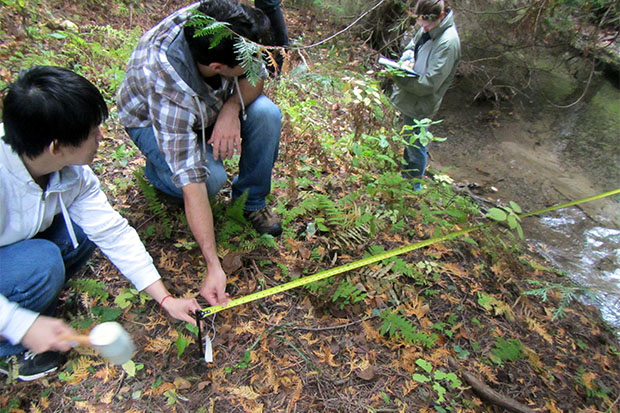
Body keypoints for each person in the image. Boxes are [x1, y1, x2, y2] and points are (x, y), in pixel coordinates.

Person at [0, 66, 202, 381]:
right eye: (93, 131)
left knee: (78, 234)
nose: (101, 136)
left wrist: (164, 297)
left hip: (13, 244)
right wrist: (19, 324)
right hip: (22, 254)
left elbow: (111, 231)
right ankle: (9, 351)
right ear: (56, 146)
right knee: (42, 261)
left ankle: (33, 299)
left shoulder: (71, 173)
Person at [116, 0, 283, 309]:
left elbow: (254, 73)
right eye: (242, 65)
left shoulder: (215, 21)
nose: (252, 64)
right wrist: (213, 265)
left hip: (210, 105)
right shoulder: (166, 87)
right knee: (208, 180)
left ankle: (252, 203)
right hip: (150, 121)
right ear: (218, 69)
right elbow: (192, 182)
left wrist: (232, 108)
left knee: (267, 114)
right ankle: (159, 173)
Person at [389, 0, 461, 190]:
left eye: (427, 24)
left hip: (422, 101)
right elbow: (412, 45)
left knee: (417, 145)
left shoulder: (448, 43)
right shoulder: (428, 28)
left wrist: (399, 77)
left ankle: (414, 189)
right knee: (409, 140)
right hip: (410, 96)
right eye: (420, 22)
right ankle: (405, 180)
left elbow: (430, 84)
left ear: (441, 17)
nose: (423, 27)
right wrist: (406, 60)